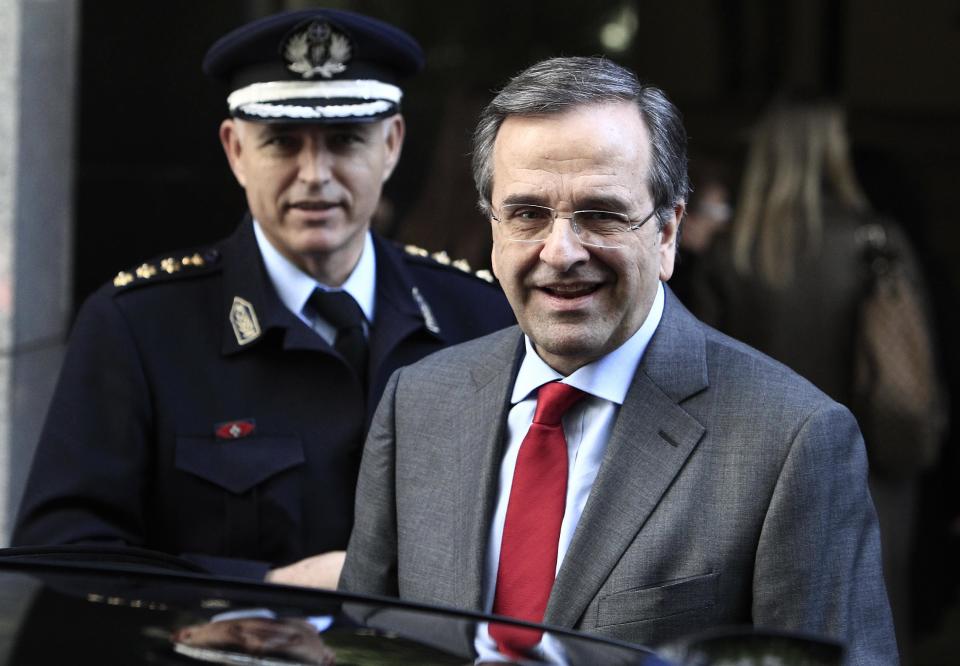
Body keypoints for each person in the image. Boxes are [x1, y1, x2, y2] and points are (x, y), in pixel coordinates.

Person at [338, 57, 897, 663]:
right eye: (527, 214)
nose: (560, 251)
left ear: (666, 233)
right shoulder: (418, 401)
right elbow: (360, 643)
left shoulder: (792, 441)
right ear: (492, 230)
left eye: (600, 213)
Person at [12, 9, 514, 586]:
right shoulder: (138, 328)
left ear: (392, 144)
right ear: (235, 150)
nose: (315, 175)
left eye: (345, 140)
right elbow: (62, 560)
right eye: (282, 142)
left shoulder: (478, 316)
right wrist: (269, 590)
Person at [688, 98, 946, 662]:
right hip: (872, 470)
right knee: (867, 628)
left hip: (755, 469)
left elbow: (698, 369)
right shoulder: (874, 240)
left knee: (762, 631)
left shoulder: (734, 251)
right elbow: (914, 368)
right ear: (830, 151)